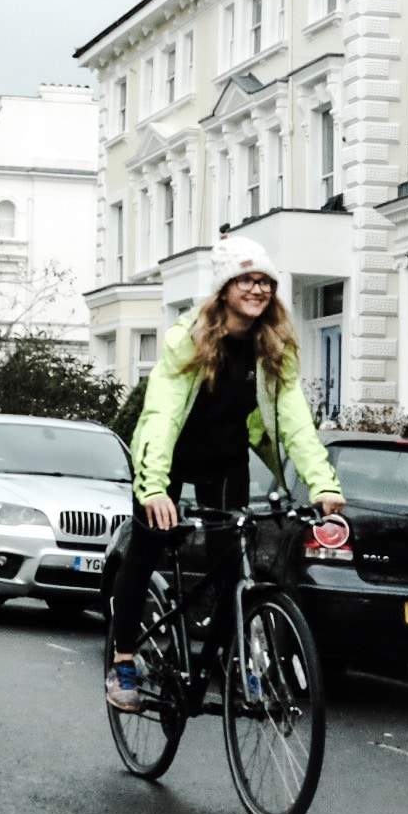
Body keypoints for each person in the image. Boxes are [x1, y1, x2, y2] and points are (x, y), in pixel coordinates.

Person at [106, 236, 346, 712]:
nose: (257, 290)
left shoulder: (273, 347)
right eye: (246, 280)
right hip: (170, 456)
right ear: (224, 288)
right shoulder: (188, 338)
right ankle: (124, 659)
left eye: (264, 282)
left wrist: (322, 484)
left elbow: (294, 420)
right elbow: (161, 414)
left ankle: (233, 661)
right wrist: (153, 486)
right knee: (147, 546)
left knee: (233, 566)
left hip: (225, 458)